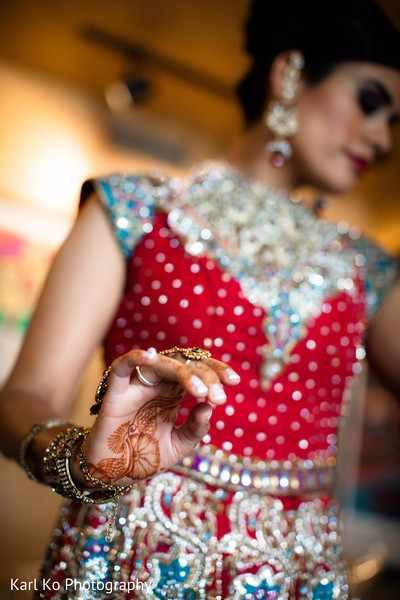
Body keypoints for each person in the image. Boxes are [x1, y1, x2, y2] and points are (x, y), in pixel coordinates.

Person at [1, 0, 400, 598]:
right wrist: (83, 462)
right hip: (130, 554)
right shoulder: (133, 211)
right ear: (290, 74)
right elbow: (25, 397)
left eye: (393, 121)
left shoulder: (367, 270)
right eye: (370, 101)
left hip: (295, 573)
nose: (382, 136)